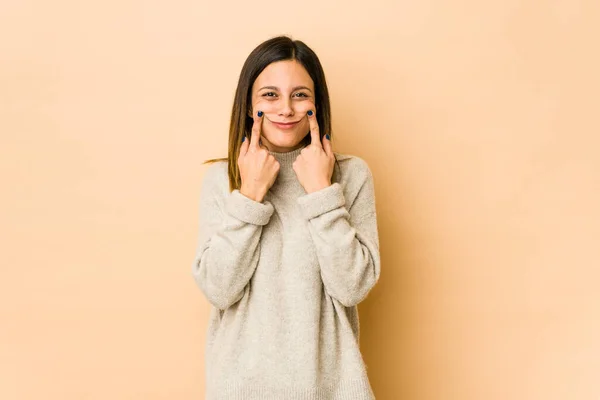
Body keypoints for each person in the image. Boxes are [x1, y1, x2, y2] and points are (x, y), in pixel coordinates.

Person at [191, 35, 381, 399]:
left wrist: (322, 193)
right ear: (249, 105)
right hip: (242, 389)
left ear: (316, 103)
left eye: (300, 94)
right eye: (270, 95)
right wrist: (249, 195)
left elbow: (352, 287)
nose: (286, 109)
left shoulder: (351, 175)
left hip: (332, 389)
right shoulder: (223, 179)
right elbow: (217, 288)